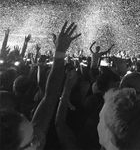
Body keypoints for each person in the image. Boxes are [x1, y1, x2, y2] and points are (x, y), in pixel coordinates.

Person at [0, 21, 81, 150]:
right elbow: (49, 97)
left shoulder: (25, 137)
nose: (21, 114)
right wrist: (60, 52)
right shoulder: (32, 139)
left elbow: (49, 97)